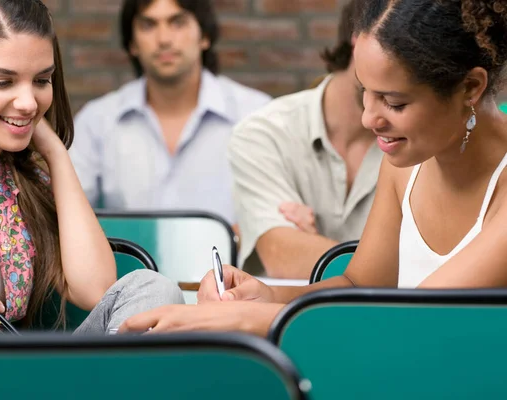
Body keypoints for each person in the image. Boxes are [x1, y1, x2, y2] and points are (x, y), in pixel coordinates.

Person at [119, 0, 507, 336]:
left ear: (470, 87)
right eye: (364, 92)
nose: (370, 118)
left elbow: (411, 321)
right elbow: (360, 285)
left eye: (394, 102)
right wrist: (269, 296)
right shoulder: (405, 165)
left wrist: (246, 319)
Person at [0, 0, 183, 337]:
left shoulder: (28, 175)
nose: (28, 102)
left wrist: (55, 152)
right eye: (3, 82)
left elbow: (94, 289)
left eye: (41, 80)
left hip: (20, 377)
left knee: (151, 288)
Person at [69, 0, 271, 225]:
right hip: (127, 261)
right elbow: (68, 219)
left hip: (228, 260)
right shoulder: (96, 122)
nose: (164, 39)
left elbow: (280, 217)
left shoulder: (258, 115)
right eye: (148, 25)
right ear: (132, 43)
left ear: (204, 36)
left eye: (178, 22)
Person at [230, 1, 383, 278]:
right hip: (288, 317)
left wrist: (315, 248)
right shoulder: (264, 132)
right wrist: (393, 264)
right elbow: (281, 254)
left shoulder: (421, 139)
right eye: (395, 46)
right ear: (358, 40)